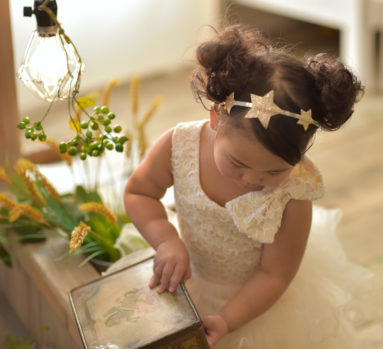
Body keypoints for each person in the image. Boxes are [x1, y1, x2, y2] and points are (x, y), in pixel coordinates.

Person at [124, 24, 370, 348]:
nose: (254, 180)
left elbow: (275, 275)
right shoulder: (180, 144)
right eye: (239, 164)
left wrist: (228, 319)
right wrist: (167, 241)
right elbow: (139, 192)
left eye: (274, 170)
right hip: (187, 277)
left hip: (254, 303)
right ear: (216, 118)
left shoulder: (293, 195)